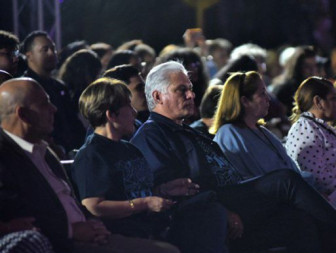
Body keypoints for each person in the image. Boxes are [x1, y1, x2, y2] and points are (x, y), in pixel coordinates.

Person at [131, 61, 336, 253]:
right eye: (181, 90)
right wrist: (223, 209)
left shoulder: (187, 131)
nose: (191, 95)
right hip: (212, 206)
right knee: (285, 180)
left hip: (233, 194)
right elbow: (175, 189)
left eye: (191, 89)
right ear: (157, 97)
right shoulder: (153, 135)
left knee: (299, 220)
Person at [0, 77, 180, 253]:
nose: (54, 109)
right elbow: (24, 218)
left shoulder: (44, 152)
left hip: (98, 231)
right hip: (63, 241)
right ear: (22, 114)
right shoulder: (7, 158)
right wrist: (74, 230)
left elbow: (74, 203)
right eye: (44, 104)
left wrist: (163, 190)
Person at [71, 77, 228, 253]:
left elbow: (136, 191)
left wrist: (164, 190)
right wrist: (144, 203)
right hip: (123, 232)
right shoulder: (92, 154)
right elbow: (95, 206)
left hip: (153, 225)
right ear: (111, 115)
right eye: (128, 107)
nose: (135, 112)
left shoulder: (129, 149)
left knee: (209, 212)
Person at [210, 71, 311, 183]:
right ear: (245, 101)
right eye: (262, 94)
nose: (268, 99)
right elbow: (241, 180)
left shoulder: (262, 131)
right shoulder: (229, 134)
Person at [21, 30, 86, 155]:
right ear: (29, 55)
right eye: (44, 50)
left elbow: (73, 121)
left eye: (53, 48)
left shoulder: (59, 87)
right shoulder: (25, 88)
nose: (51, 53)